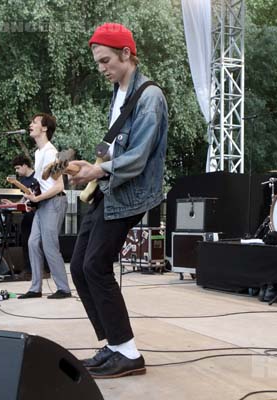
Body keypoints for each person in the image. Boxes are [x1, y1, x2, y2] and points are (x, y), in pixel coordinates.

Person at [67, 23, 168, 379]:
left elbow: (138, 157)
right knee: (79, 267)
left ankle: (128, 353)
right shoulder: (118, 92)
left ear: (127, 53)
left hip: (130, 193)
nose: (101, 68)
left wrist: (97, 173)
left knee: (95, 266)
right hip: (109, 188)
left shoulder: (150, 96)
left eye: (106, 60)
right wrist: (88, 166)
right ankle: (113, 346)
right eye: (97, 62)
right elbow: (111, 147)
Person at [18, 113, 72, 299]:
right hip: (43, 203)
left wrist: (38, 199)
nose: (30, 124)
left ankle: (63, 289)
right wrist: (32, 196)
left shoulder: (51, 152)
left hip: (54, 201)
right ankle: (35, 288)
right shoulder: (38, 152)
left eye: (34, 122)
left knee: (50, 245)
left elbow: (59, 186)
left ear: (45, 128)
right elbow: (44, 184)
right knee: (33, 243)